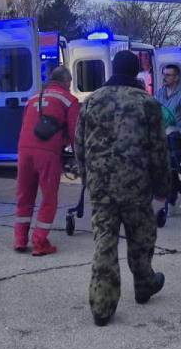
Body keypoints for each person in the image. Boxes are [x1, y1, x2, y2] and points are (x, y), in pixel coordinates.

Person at [75, 51, 170, 326]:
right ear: (136, 72)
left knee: (104, 240)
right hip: (136, 184)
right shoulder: (147, 103)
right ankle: (144, 283)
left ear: (112, 70)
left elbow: (79, 144)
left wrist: (86, 178)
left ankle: (102, 307)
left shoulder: (91, 101)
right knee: (141, 236)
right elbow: (158, 149)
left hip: (101, 185)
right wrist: (162, 184)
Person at [14, 65, 80, 256]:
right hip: (47, 152)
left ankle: (20, 239)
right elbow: (75, 132)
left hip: (24, 150)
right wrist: (79, 155)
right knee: (49, 198)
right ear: (66, 81)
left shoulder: (34, 97)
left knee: (24, 196)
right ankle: (40, 242)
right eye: (70, 82)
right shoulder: (69, 100)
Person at [154, 63, 181, 208]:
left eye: (168, 75)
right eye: (164, 74)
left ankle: (170, 204)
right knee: (166, 170)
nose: (164, 77)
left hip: (176, 138)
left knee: (170, 169)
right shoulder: (160, 92)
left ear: (176, 77)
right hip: (161, 137)